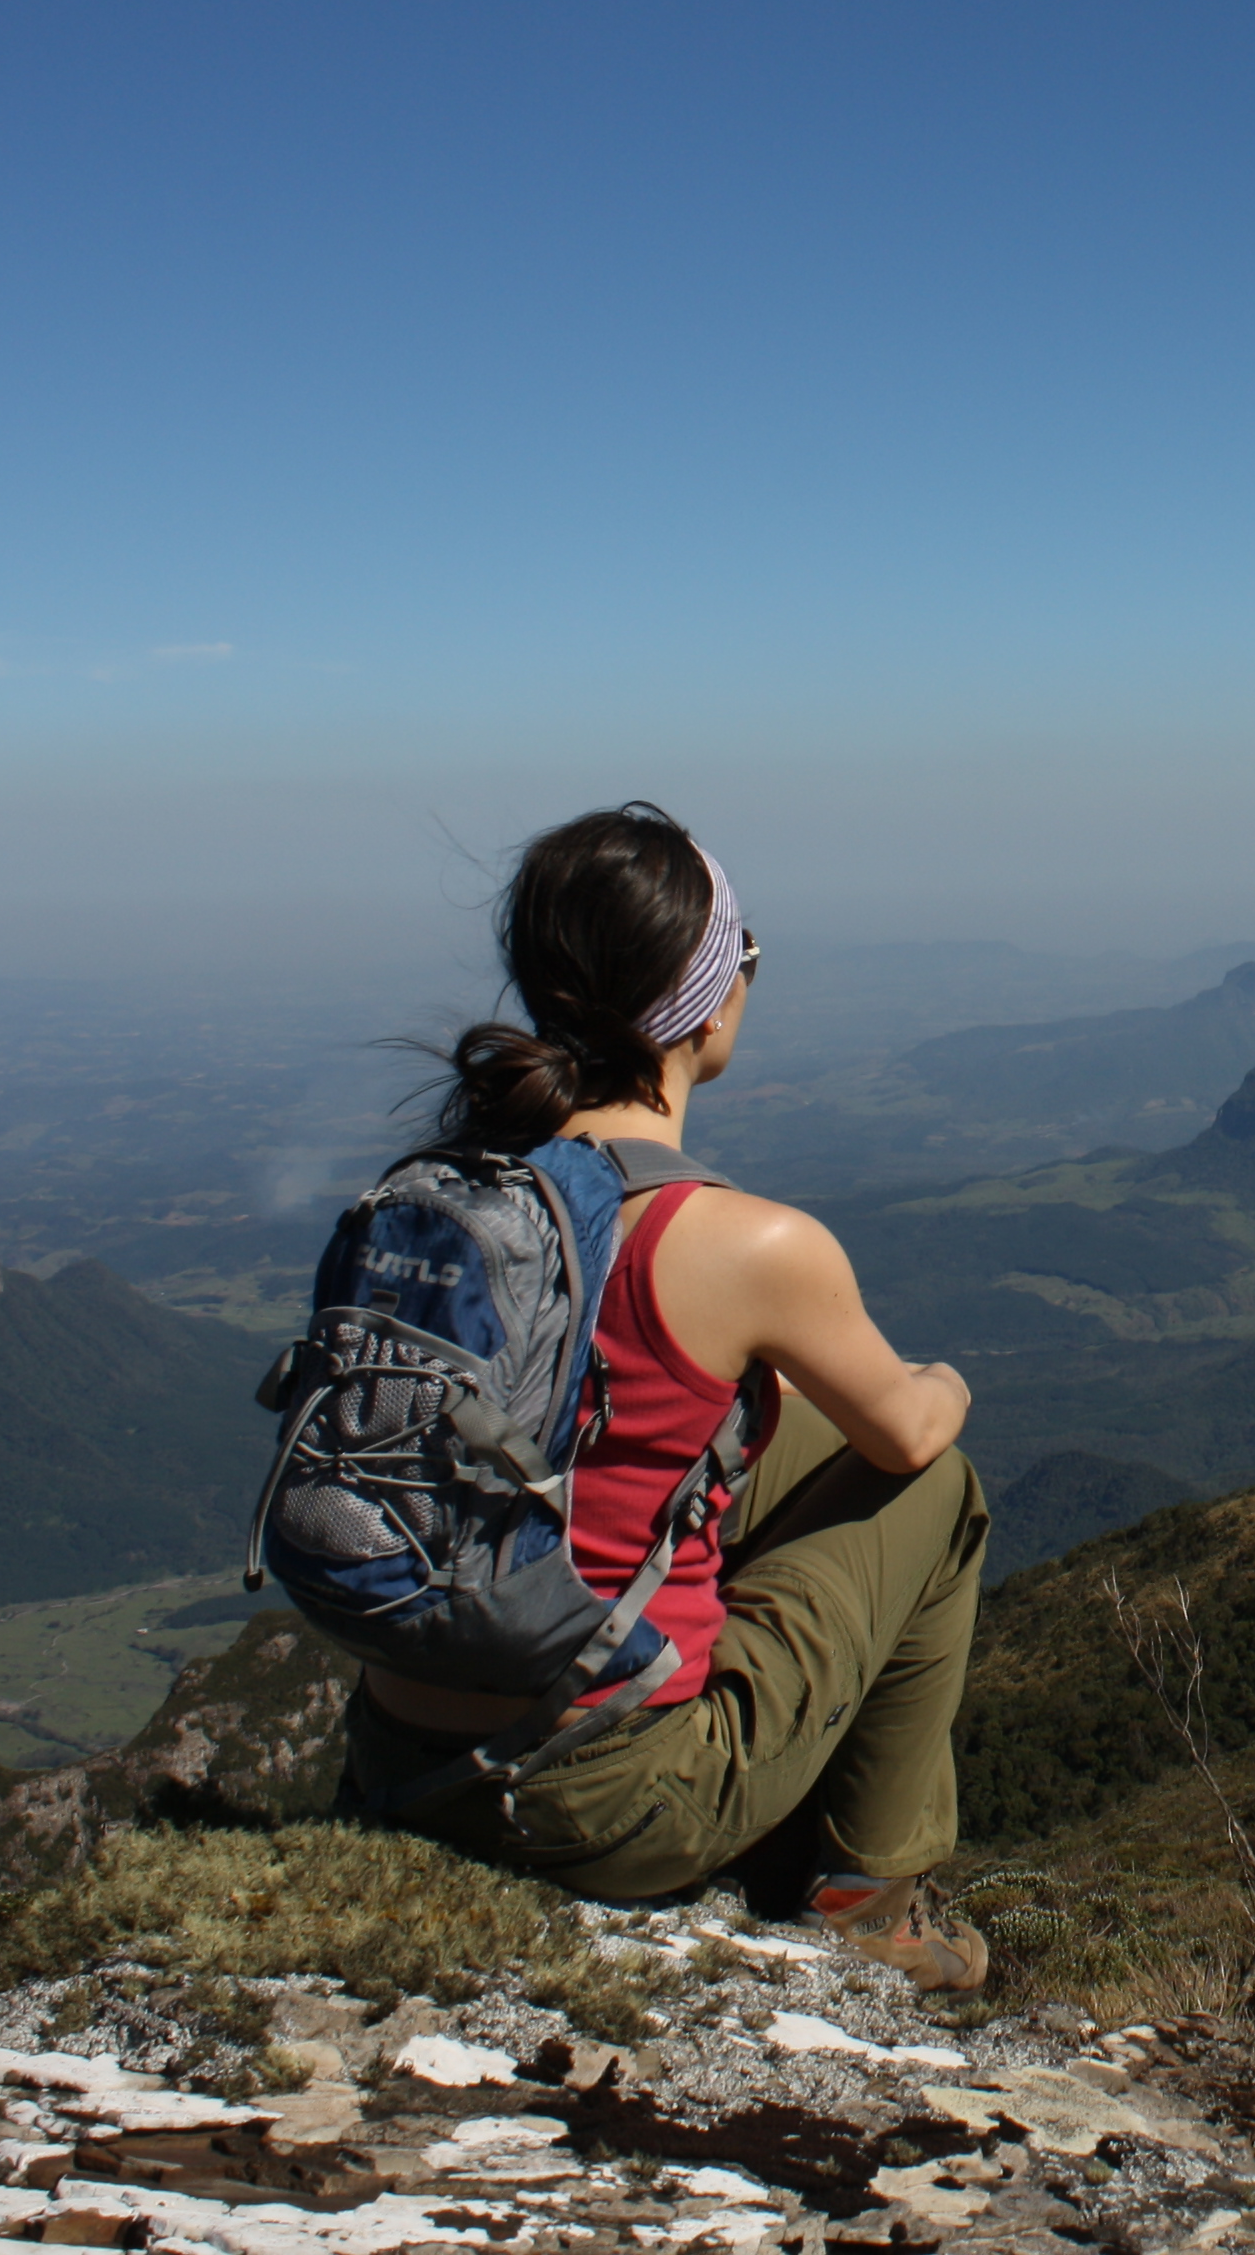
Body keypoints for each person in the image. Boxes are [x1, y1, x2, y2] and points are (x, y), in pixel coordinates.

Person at [338, 801, 991, 1990]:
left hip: (391, 1767)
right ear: (708, 997)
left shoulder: (448, 1196)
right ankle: (868, 1903)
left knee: (765, 1445)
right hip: (603, 1809)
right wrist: (945, 1378)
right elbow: (903, 1433)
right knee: (939, 1490)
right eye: (745, 956)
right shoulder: (747, 1244)